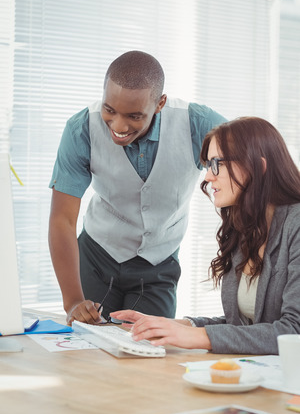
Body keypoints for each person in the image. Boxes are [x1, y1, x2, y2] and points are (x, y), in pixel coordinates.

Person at [48, 50, 226, 326]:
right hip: (97, 257)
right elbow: (62, 219)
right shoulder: (81, 128)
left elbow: (247, 164)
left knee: (149, 352)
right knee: (88, 352)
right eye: (109, 109)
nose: (118, 125)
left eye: (134, 115)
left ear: (160, 103)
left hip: (158, 266)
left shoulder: (198, 124)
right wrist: (72, 301)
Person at [111, 116, 300, 355]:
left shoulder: (296, 225)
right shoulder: (248, 229)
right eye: (208, 165)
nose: (208, 177)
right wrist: (176, 326)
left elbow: (293, 332)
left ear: (258, 167)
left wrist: (195, 337)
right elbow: (243, 327)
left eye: (217, 163)